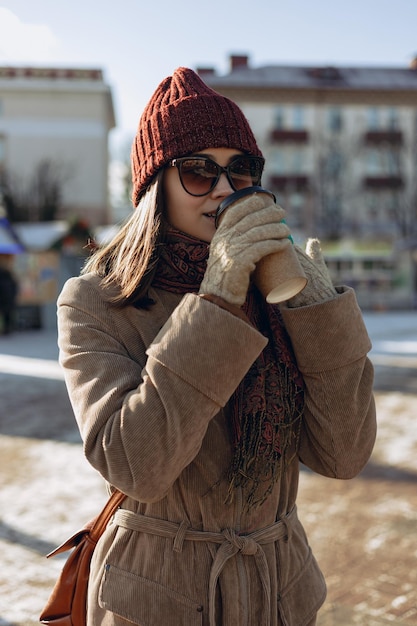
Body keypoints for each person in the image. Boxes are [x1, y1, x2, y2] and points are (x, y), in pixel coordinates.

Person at [57, 67, 376, 626]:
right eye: (199, 171)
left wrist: (319, 316)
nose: (226, 189)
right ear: (155, 185)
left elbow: (344, 455)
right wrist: (217, 301)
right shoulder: (94, 300)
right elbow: (135, 464)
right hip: (159, 598)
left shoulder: (274, 292)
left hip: (279, 592)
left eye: (241, 169)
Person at [0, 260, 18, 334]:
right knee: (8, 315)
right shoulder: (10, 278)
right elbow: (15, 287)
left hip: (3, 299)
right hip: (9, 299)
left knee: (5, 314)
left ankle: (6, 329)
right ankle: (8, 329)